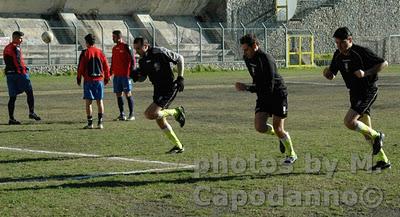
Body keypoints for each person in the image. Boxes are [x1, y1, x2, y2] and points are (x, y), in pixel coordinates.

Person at [323, 27, 390, 170]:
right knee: (366, 132)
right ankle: (383, 160)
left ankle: (378, 135)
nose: (339, 46)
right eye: (336, 43)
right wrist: (327, 73)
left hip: (367, 91)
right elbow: (332, 74)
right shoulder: (338, 55)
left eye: (341, 42)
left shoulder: (360, 52)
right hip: (354, 93)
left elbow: (384, 63)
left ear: (350, 40)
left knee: (349, 122)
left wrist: (366, 73)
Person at [235, 33, 297, 164]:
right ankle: (281, 137)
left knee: (278, 128)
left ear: (255, 45)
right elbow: (256, 79)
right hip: (263, 94)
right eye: (243, 50)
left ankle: (291, 154)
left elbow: (269, 85)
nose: (245, 52)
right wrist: (251, 87)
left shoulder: (267, 59)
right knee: (259, 127)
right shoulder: (247, 59)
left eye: (247, 49)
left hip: (278, 94)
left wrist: (247, 88)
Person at [132, 37, 186, 154]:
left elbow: (180, 58)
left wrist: (180, 77)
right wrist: (136, 76)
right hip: (157, 90)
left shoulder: (159, 51)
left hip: (169, 88)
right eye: (135, 49)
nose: (137, 51)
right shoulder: (142, 60)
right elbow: (143, 77)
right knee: (159, 120)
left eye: (138, 48)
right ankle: (178, 145)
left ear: (146, 46)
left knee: (150, 114)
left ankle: (177, 112)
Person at [3, 31, 41, 125]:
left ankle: (11, 119)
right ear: (15, 38)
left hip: (9, 75)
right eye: (20, 38)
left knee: (12, 97)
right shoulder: (16, 47)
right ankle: (31, 112)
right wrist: (24, 69)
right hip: (19, 74)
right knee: (29, 92)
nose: (22, 40)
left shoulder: (7, 47)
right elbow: (17, 60)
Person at [77, 34, 110, 129]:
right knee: (100, 101)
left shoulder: (86, 53)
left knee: (89, 102)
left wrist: (79, 78)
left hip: (88, 80)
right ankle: (100, 123)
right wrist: (107, 77)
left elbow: (81, 67)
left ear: (86, 42)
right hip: (99, 80)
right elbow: (106, 66)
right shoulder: (100, 52)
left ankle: (90, 123)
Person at [111, 30, 136, 121]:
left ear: (118, 37)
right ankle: (122, 114)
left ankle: (131, 114)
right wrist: (110, 72)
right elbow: (113, 61)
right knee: (118, 94)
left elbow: (133, 59)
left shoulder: (126, 47)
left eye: (113, 37)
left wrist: (132, 72)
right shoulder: (114, 48)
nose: (112, 38)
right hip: (117, 76)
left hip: (125, 75)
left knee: (128, 93)